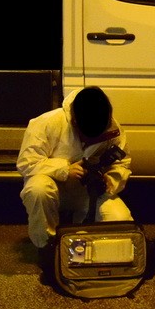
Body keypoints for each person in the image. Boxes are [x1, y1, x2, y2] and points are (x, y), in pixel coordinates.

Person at [17, 86, 134, 260]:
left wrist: (112, 180)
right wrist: (64, 169)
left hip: (88, 192)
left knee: (121, 220)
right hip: (55, 189)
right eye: (87, 137)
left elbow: (122, 163)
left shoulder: (112, 128)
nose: (91, 141)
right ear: (74, 121)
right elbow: (26, 163)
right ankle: (47, 247)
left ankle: (87, 246)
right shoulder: (47, 122)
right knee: (37, 189)